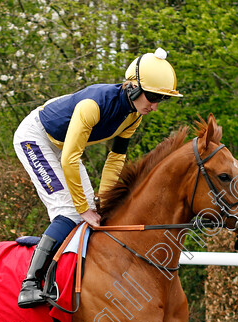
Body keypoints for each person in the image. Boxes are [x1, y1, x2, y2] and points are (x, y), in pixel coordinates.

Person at [13, 48, 182, 308]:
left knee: (93, 209)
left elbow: (115, 160)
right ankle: (30, 283)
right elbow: (70, 158)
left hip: (63, 147)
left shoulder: (133, 116)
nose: (155, 105)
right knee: (70, 210)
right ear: (133, 88)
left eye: (162, 99)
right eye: (153, 96)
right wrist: (82, 209)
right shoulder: (93, 104)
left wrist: (102, 200)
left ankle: (67, 269)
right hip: (35, 138)